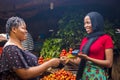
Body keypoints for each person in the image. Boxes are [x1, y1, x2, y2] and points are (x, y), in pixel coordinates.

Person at [62, 12, 114, 80]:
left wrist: (88, 58)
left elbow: (109, 63)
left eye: (88, 22)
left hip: (97, 76)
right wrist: (68, 60)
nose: (85, 25)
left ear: (96, 22)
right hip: (83, 75)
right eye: (84, 23)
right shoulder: (85, 40)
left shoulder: (106, 38)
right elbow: (80, 61)